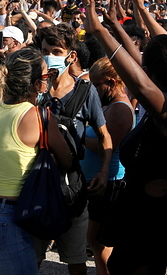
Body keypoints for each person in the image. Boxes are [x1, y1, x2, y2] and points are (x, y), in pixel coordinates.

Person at [82, 0, 167, 275]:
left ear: (150, 69)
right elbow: (136, 61)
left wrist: (99, 32)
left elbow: (140, 83)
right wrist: (113, 26)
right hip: (136, 216)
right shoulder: (165, 101)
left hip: (154, 223)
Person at [0, 48, 72, 275]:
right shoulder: (39, 117)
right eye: (47, 77)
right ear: (38, 83)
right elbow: (66, 160)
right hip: (4, 220)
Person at [35, 24, 113, 275]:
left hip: (71, 185)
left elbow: (104, 135)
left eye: (56, 50)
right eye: (45, 50)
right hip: (36, 183)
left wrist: (103, 171)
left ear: (72, 56)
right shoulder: (35, 88)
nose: (49, 56)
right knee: (31, 255)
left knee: (76, 258)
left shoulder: (85, 90)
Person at [85, 58, 135, 275]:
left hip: (110, 183)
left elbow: (105, 146)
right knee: (95, 243)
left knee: (100, 242)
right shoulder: (108, 105)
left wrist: (75, 135)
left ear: (113, 82)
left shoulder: (120, 109)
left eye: (98, 84)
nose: (94, 89)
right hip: (98, 182)